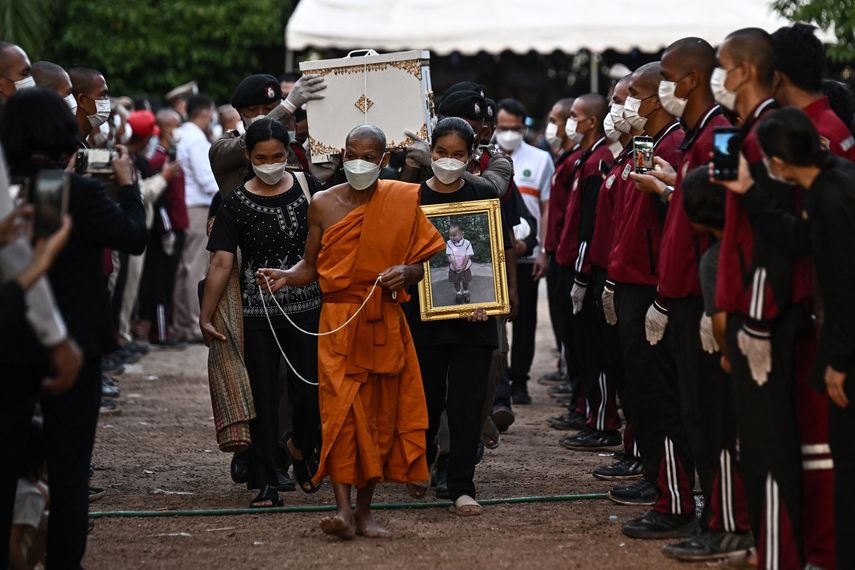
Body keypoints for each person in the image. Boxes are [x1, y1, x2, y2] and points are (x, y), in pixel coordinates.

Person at [257, 124, 444, 539]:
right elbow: (311, 266)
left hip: (383, 320)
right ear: (342, 154)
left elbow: (427, 259)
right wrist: (286, 276)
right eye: (351, 154)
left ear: (384, 160)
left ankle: (364, 513)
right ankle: (341, 511)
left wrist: (406, 272)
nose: (358, 163)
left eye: (368, 156)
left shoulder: (401, 199)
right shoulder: (322, 203)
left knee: (376, 417)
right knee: (340, 416)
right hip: (338, 324)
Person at [0, 88, 146, 569]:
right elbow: (132, 237)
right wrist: (127, 187)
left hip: (10, 339)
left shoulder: (8, 193)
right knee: (68, 463)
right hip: (74, 341)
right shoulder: (74, 192)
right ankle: (64, 561)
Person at [749, 107, 855, 570]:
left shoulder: (831, 200)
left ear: (780, 161)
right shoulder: (834, 179)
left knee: (846, 462)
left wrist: (837, 361)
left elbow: (844, 289)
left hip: (846, 347)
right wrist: (753, 195)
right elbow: (797, 239)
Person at [201, 117, 323, 507]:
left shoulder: (308, 188)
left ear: (287, 153)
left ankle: (303, 449)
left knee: (309, 394)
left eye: (277, 156)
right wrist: (206, 315)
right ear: (248, 157)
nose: (270, 163)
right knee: (263, 396)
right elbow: (221, 263)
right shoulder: (234, 203)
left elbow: (328, 243)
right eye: (261, 157)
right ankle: (267, 481)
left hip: (308, 309)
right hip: (258, 314)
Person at [405, 118, 513, 515]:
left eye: (458, 155)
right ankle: (421, 463)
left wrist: (495, 299)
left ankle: (462, 485)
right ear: (429, 152)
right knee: (425, 401)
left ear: (471, 157)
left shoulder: (483, 193)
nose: (448, 161)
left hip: (475, 318)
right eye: (441, 153)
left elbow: (496, 254)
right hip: (423, 317)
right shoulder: (409, 197)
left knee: (468, 404)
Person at [495, 98, 554, 405]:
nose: (508, 134)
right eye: (502, 128)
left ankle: (520, 382)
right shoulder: (484, 158)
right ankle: (498, 382)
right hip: (494, 255)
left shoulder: (540, 159)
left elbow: (546, 208)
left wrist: (543, 250)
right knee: (493, 320)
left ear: (523, 126)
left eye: (514, 128)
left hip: (526, 252)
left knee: (525, 319)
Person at [209, 73, 326, 199]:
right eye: (252, 109)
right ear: (240, 113)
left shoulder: (291, 147)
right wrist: (288, 106)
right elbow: (253, 137)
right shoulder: (223, 149)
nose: (262, 114)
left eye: (269, 108)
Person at [138, 109, 188, 346]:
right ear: (167, 128)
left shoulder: (169, 155)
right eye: (176, 126)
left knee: (168, 279)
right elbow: (159, 201)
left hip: (176, 225)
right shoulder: (159, 160)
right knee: (160, 281)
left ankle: (163, 328)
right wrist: (167, 230)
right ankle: (159, 331)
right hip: (164, 231)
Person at [172, 94, 218, 343]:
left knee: (185, 268)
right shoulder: (196, 138)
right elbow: (207, 179)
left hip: (186, 206)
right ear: (205, 113)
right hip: (198, 207)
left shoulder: (182, 133)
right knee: (194, 268)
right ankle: (190, 324)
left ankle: (182, 324)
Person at [67, 67, 111, 141]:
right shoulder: (64, 146)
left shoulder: (79, 142)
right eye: (103, 95)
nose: (107, 100)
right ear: (82, 101)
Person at [446, 223, 474, 303]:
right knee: (456, 281)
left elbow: (468, 255)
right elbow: (450, 256)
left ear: (462, 234)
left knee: (465, 280)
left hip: (465, 267)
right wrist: (455, 267)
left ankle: (465, 292)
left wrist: (463, 266)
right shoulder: (449, 243)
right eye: (450, 235)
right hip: (454, 267)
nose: (452, 237)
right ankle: (458, 293)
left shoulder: (467, 243)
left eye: (454, 235)